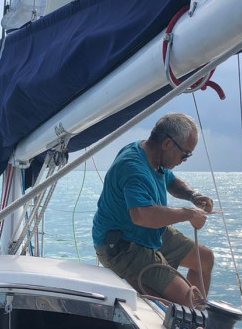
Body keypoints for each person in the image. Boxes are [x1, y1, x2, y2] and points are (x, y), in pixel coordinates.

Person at [92, 113, 216, 307]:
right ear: (167, 144)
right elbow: (142, 215)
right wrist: (189, 213)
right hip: (121, 245)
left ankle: (189, 313)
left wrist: (193, 196)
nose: (185, 159)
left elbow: (171, 181)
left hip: (148, 233)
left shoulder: (153, 154)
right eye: (185, 154)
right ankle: (187, 309)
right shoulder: (133, 167)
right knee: (191, 300)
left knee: (205, 259)